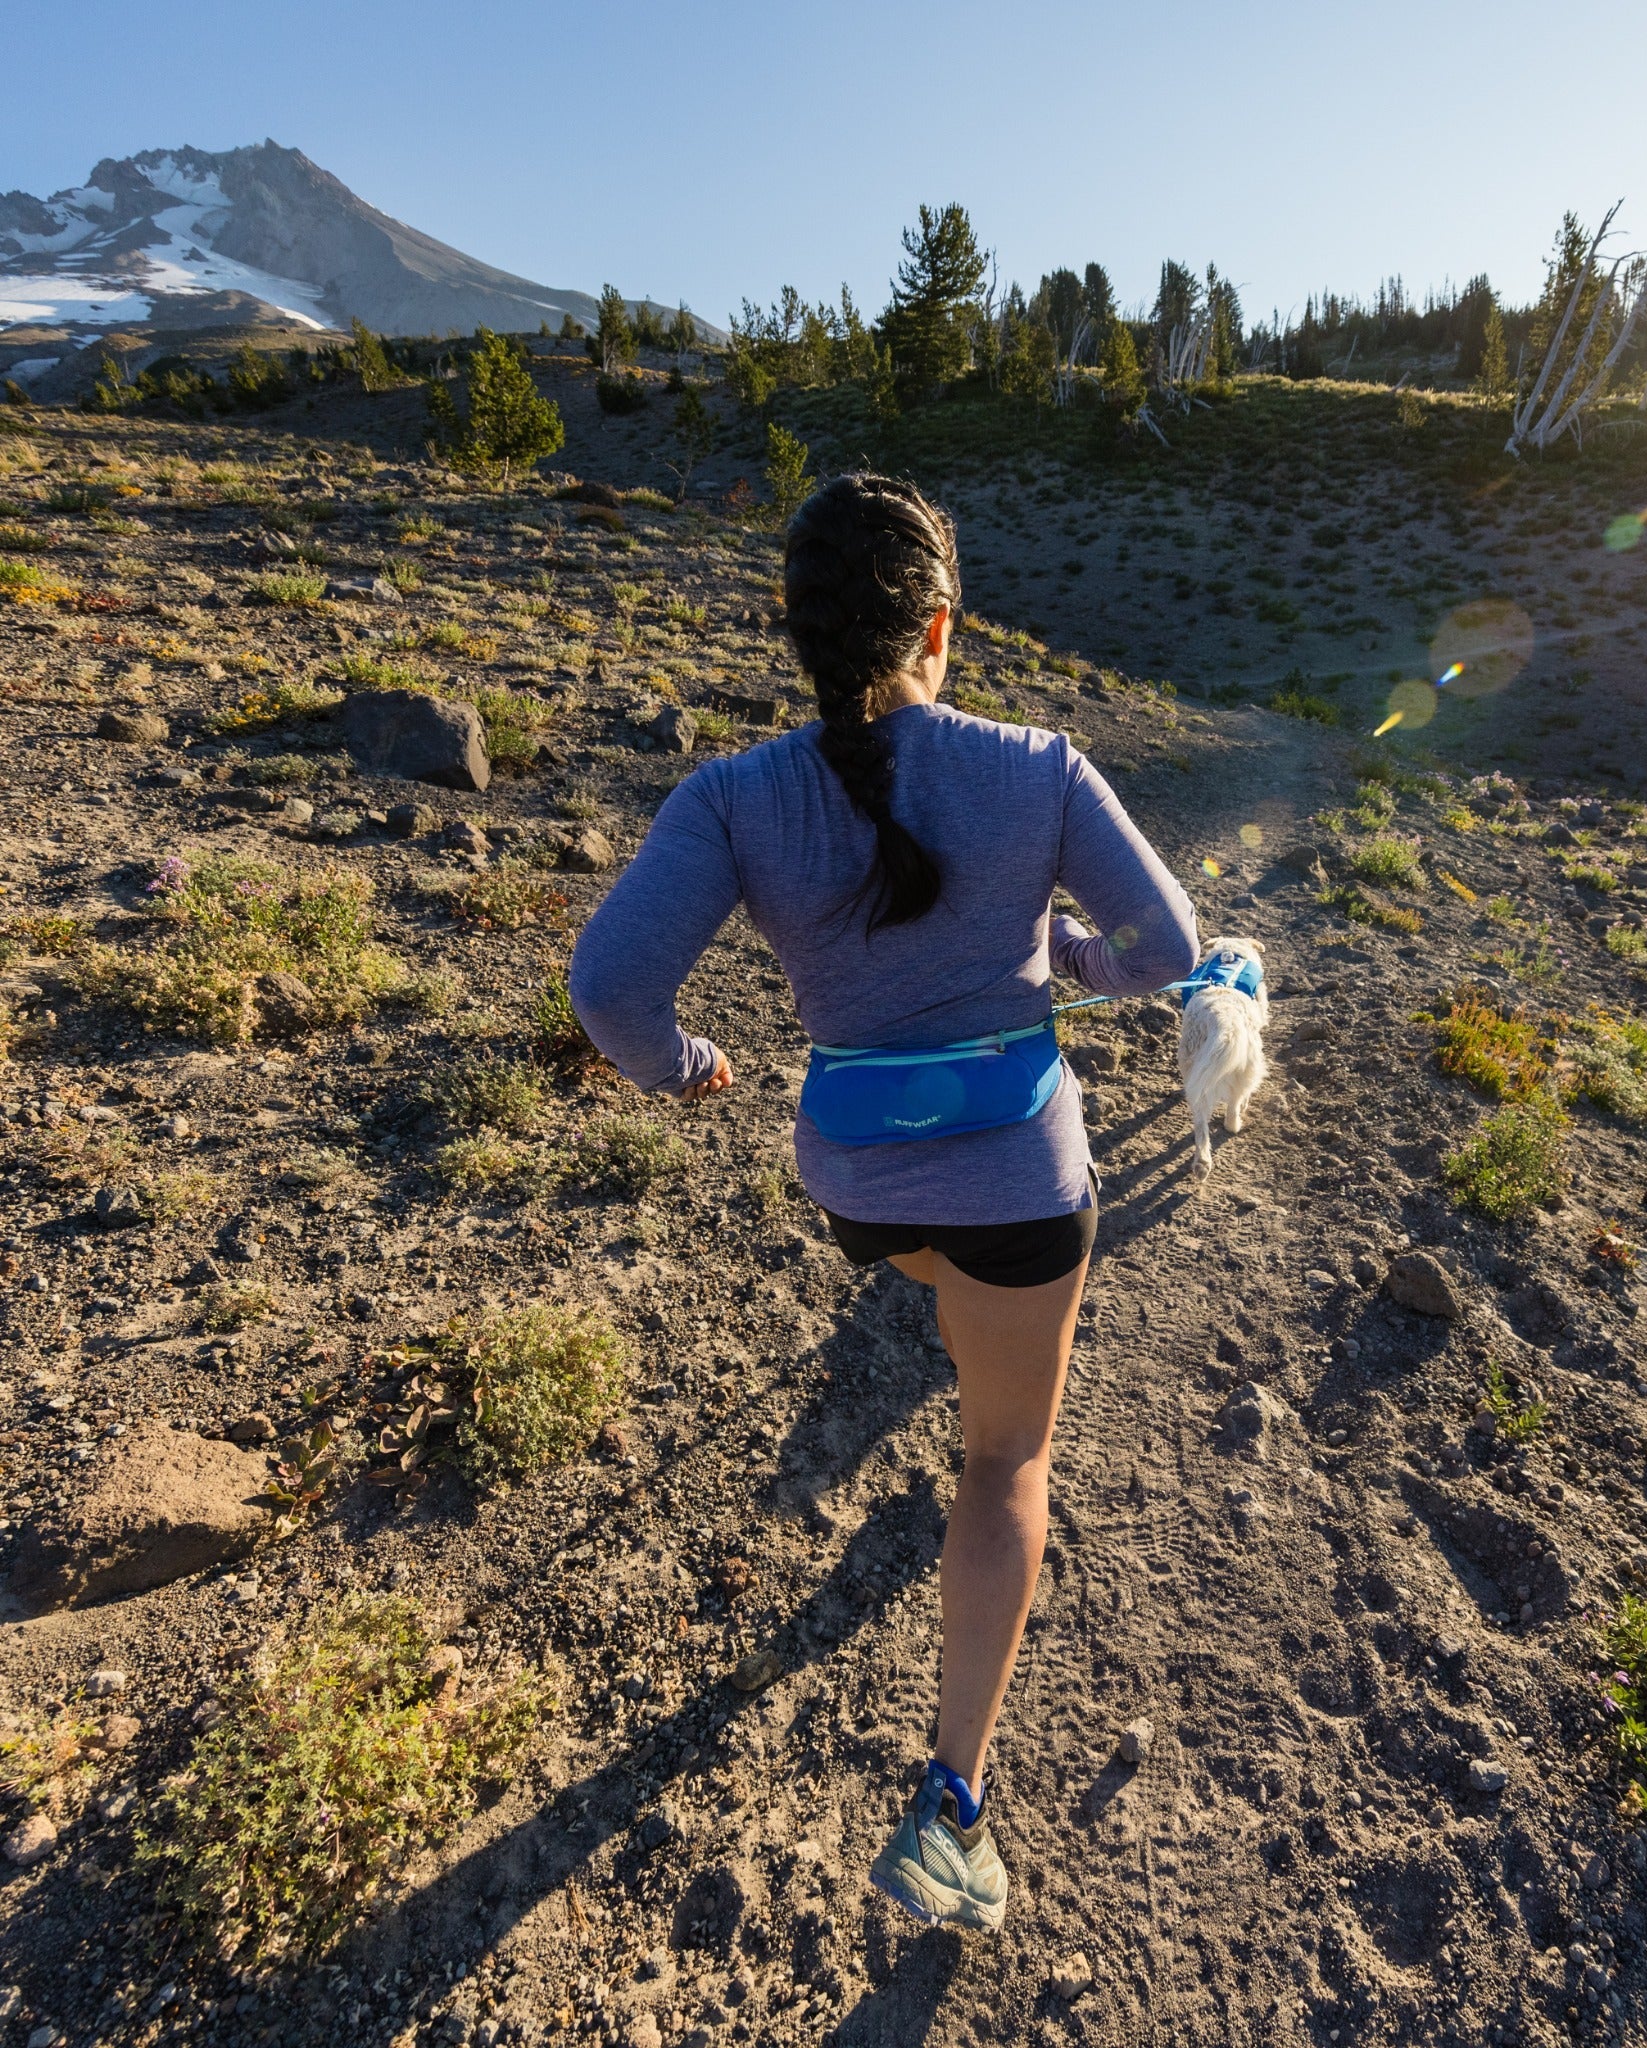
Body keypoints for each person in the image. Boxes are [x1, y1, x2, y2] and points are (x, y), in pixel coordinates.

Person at [569, 472, 1197, 1932]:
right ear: (939, 623)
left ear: (801, 634)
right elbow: (1163, 942)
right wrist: (1066, 967)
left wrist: (690, 1065)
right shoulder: (1037, 766)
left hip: (856, 1186)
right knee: (1005, 1466)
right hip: (1019, 1191)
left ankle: (953, 1305)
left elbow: (608, 989)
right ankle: (951, 1814)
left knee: (930, 1267)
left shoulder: (732, 795)